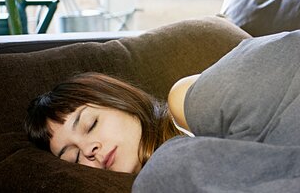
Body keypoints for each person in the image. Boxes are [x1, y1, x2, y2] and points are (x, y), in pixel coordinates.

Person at [25, 72, 197, 174]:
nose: (87, 150)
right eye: (75, 158)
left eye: (91, 124)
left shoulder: (183, 101)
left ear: (118, 100)